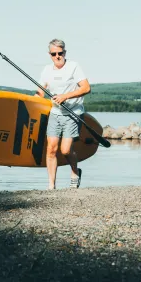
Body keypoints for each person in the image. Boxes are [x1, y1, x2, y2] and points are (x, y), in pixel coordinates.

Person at [35, 39, 91, 190]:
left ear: (65, 53)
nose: (57, 56)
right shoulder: (47, 70)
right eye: (54, 54)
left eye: (60, 53)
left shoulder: (73, 67)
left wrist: (65, 96)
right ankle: (51, 186)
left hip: (73, 113)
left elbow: (86, 88)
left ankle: (75, 172)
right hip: (55, 112)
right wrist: (34, 99)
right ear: (50, 54)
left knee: (65, 150)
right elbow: (40, 91)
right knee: (51, 148)